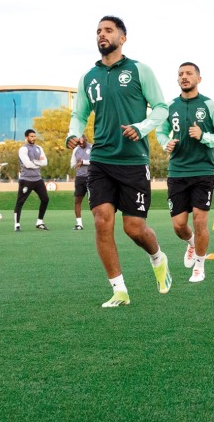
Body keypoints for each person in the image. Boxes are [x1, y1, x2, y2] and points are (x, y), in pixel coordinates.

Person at [66, 16, 171, 308]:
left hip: (134, 161)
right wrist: (74, 134)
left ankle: (158, 258)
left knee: (134, 228)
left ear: (122, 38)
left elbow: (161, 109)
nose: (102, 35)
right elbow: (79, 114)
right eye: (98, 31)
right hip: (100, 160)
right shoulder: (89, 77)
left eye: (108, 30)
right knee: (101, 221)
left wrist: (142, 127)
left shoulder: (139, 70)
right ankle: (119, 290)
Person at [156, 63, 214, 284]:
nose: (184, 77)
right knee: (179, 225)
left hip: (203, 170)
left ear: (199, 79)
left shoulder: (211, 106)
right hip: (177, 171)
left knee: (200, 221)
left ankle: (199, 267)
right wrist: (166, 143)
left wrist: (204, 136)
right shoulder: (169, 106)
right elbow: (161, 132)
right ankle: (191, 244)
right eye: (180, 74)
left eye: (189, 73)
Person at [14, 129, 50, 231]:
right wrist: (38, 163)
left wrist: (34, 162)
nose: (33, 138)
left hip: (38, 179)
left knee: (45, 199)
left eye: (34, 136)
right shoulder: (23, 149)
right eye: (31, 136)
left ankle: (39, 222)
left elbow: (45, 163)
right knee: (20, 202)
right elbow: (27, 164)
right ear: (26, 137)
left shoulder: (39, 148)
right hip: (26, 180)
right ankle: (17, 225)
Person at [71, 138, 92, 230]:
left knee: (93, 201)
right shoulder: (76, 149)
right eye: (79, 143)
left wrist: (83, 162)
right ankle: (79, 224)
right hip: (79, 178)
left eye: (83, 142)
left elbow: (94, 161)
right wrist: (76, 164)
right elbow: (72, 163)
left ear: (86, 140)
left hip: (91, 177)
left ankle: (99, 222)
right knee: (77, 200)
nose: (81, 144)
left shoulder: (92, 147)